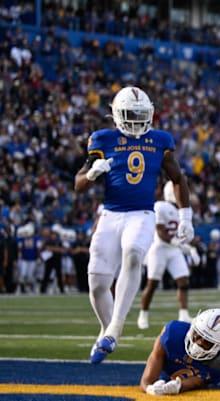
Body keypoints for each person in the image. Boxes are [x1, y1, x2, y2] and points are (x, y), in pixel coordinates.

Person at [74, 86, 194, 364]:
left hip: (141, 213)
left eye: (142, 115)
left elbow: (177, 179)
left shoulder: (160, 140)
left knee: (133, 256)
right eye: (131, 115)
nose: (138, 121)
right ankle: (107, 331)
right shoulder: (103, 139)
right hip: (110, 215)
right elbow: (78, 184)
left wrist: (186, 215)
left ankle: (116, 327)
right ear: (117, 114)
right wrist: (91, 173)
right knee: (97, 283)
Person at [137, 181, 195, 330]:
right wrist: (179, 244)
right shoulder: (161, 206)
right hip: (160, 248)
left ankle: (183, 313)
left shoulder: (183, 211)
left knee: (183, 281)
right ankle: (143, 314)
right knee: (152, 284)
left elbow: (181, 234)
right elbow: (161, 231)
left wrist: (188, 247)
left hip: (174, 250)